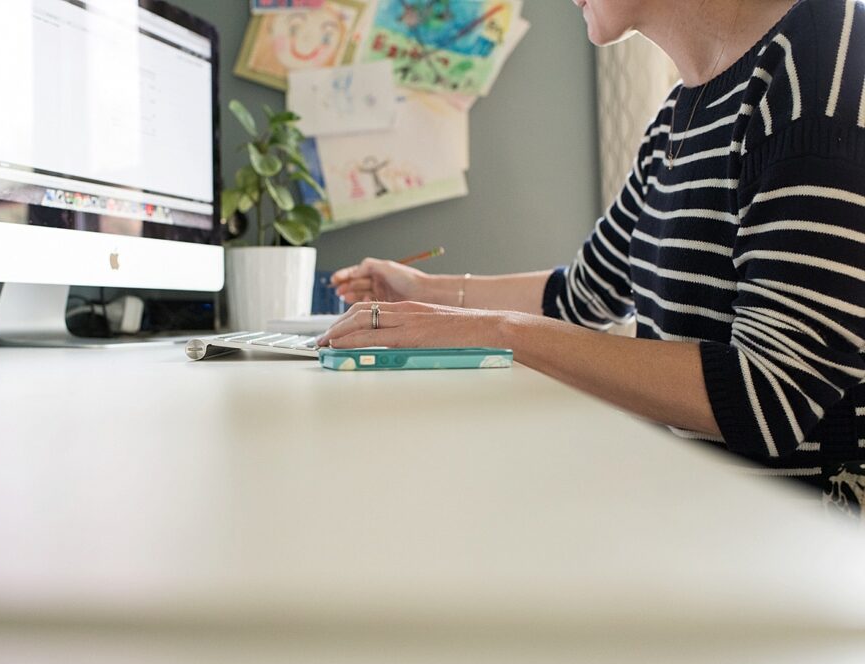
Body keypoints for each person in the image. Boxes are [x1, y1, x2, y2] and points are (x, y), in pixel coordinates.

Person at [318, 0, 865, 508]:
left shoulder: (826, 70)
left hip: (810, 554)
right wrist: (424, 295)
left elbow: (770, 393)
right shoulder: (680, 113)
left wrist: (494, 331)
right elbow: (581, 294)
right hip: (704, 521)